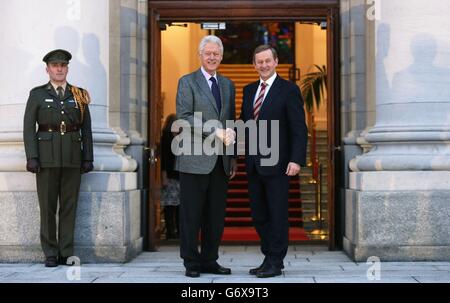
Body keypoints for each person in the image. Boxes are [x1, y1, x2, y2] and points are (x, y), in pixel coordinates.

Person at [240, 45, 308, 278]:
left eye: (267, 61)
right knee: (259, 215)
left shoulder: (288, 90)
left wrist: (296, 159)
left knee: (277, 214)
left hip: (279, 164)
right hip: (253, 164)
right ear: (254, 64)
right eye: (259, 62)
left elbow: (299, 128)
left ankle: (275, 262)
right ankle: (268, 255)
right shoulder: (249, 91)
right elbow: (245, 125)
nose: (264, 65)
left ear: (276, 61)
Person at [23, 49, 94, 267]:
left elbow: (86, 129)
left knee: (69, 206)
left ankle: (66, 251)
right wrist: (32, 157)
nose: (59, 69)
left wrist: (87, 157)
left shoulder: (79, 94)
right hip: (46, 159)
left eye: (63, 65)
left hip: (72, 158)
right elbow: (28, 128)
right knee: (47, 207)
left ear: (67, 68)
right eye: (55, 66)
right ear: (48, 69)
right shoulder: (37, 94)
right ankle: (50, 253)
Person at [175, 35, 237, 278]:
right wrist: (215, 130)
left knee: (215, 216)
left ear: (221, 57)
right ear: (199, 55)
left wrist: (231, 157)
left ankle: (210, 260)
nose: (212, 57)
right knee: (191, 215)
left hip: (220, 161)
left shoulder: (228, 85)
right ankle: (191, 262)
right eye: (208, 53)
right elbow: (184, 115)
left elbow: (230, 122)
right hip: (194, 159)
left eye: (216, 54)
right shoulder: (187, 82)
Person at [160, 113, 180, 239]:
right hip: (170, 175)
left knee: (180, 206)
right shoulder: (166, 138)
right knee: (169, 206)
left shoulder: (182, 137)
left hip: (180, 175)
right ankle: (170, 231)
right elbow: (164, 160)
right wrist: (164, 176)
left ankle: (179, 230)